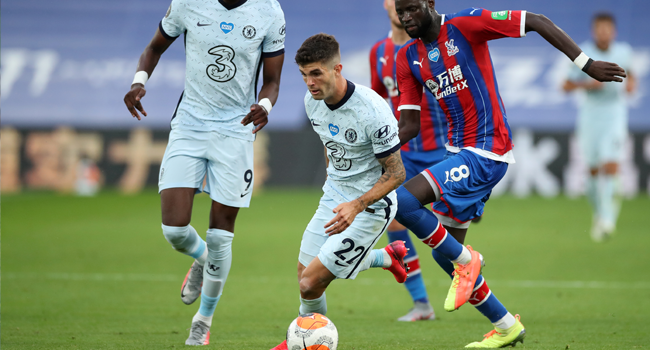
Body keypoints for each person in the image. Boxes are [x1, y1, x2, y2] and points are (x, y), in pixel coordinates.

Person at [392, 0, 626, 347]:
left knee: (402, 203)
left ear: (429, 3)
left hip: (487, 149)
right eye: (401, 11)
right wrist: (370, 151)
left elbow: (536, 20)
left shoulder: (466, 25)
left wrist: (586, 64)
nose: (406, 16)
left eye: (412, 7)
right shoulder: (406, 57)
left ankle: (470, 261)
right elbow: (408, 125)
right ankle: (505, 325)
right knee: (445, 256)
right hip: (457, 152)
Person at [123, 0, 285, 345]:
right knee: (174, 229)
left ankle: (203, 321)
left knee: (220, 234)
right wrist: (139, 82)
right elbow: (154, 48)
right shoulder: (187, 3)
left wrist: (264, 106)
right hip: (190, 126)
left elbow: (272, 80)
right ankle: (204, 260)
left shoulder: (269, 11)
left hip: (236, 131)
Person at [271, 33, 410, 350]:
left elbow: (397, 173)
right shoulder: (312, 102)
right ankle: (384, 258)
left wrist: (356, 205)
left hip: (371, 206)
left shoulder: (372, 111)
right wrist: (335, 186)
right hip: (335, 195)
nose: (309, 82)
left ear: (338, 69)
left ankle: (309, 343)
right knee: (304, 276)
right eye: (304, 75)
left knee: (310, 282)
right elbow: (329, 144)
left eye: (316, 73)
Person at [369, 0, 448, 322]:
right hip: (404, 154)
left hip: (444, 151)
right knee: (395, 221)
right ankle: (421, 305)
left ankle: (471, 277)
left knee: (447, 234)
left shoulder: (432, 48)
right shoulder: (378, 53)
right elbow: (374, 102)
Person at [562, 12, 636, 242]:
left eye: (607, 28)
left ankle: (608, 219)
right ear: (594, 31)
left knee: (610, 165)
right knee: (593, 170)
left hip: (614, 114)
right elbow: (565, 85)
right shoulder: (582, 54)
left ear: (613, 31)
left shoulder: (623, 52)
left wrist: (631, 84)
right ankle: (599, 213)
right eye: (599, 28)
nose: (604, 33)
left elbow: (632, 77)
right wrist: (587, 85)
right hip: (591, 116)